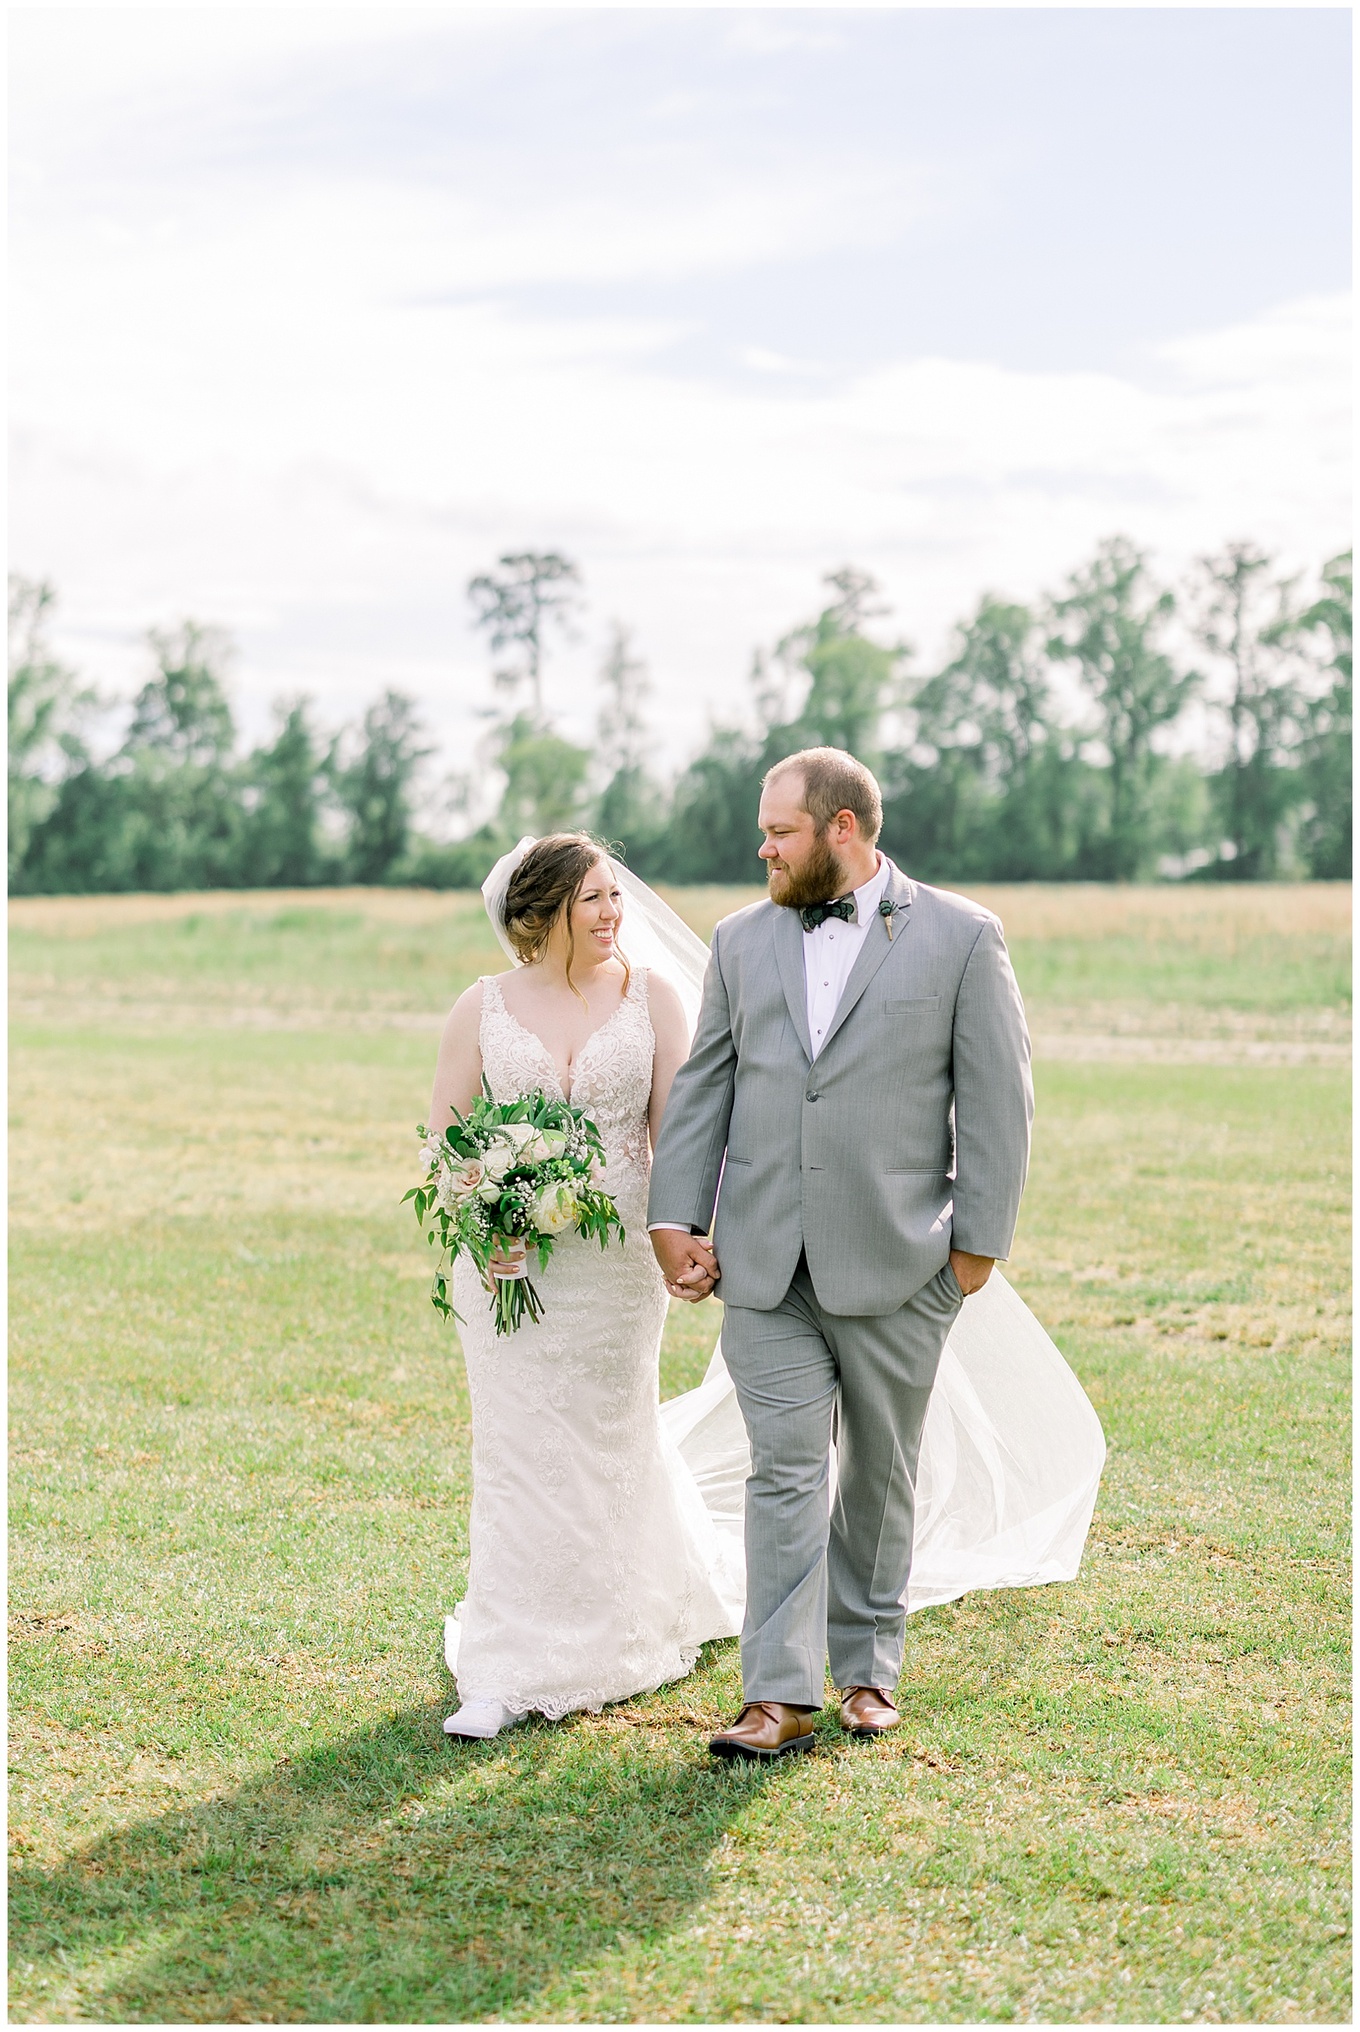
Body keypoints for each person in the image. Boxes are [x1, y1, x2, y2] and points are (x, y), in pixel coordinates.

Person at [648, 746, 1059, 1757]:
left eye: (779, 830)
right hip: (764, 1262)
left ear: (843, 829)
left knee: (877, 1472)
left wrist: (974, 1251)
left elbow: (998, 1099)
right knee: (782, 1469)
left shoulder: (962, 937)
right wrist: (673, 1217)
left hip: (899, 1260)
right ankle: (776, 1693)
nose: (762, 846)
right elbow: (704, 1084)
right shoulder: (740, 940)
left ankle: (868, 1668)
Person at [427, 833, 742, 1739]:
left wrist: (682, 1243)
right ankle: (500, 1664)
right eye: (592, 899)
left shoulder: (653, 999)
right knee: (518, 1447)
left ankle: (614, 1629)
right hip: (507, 1269)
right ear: (543, 914)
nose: (613, 913)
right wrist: (488, 1227)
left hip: (613, 1272)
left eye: (615, 895)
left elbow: (673, 1137)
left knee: (608, 1436)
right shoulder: (480, 1008)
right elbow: (450, 1140)